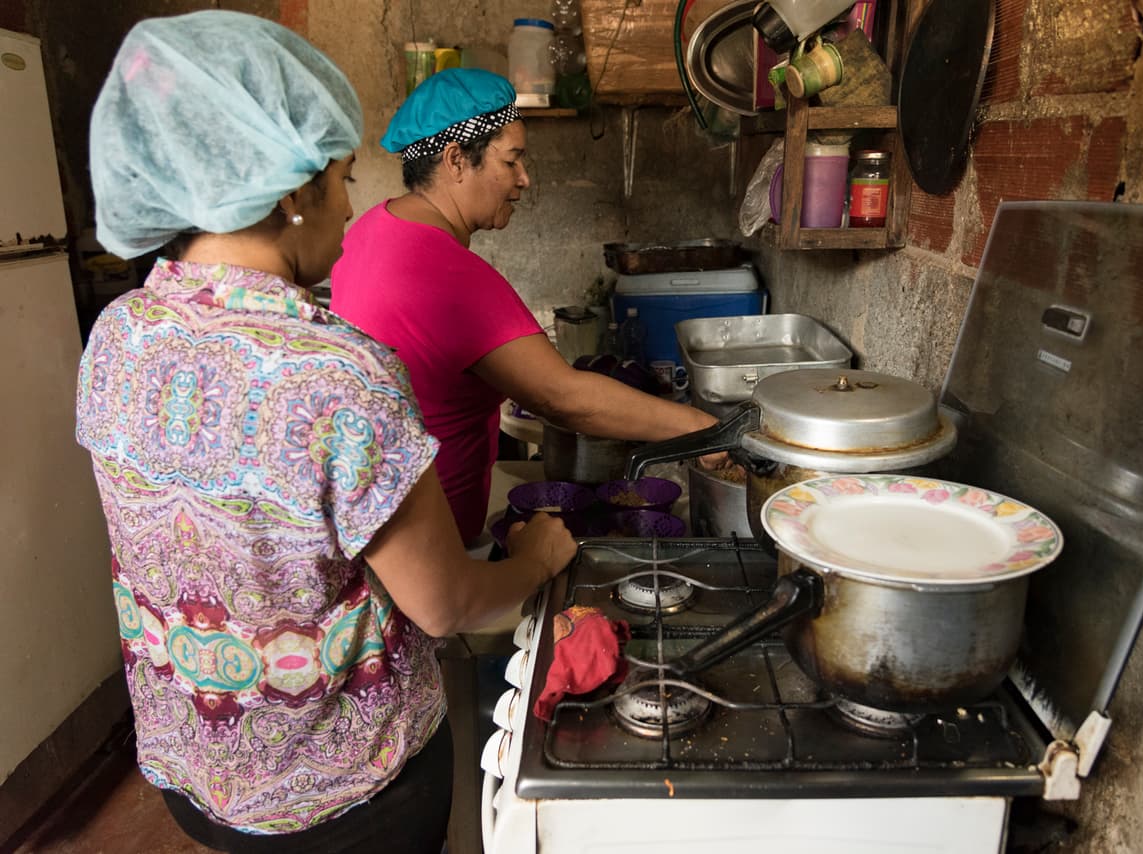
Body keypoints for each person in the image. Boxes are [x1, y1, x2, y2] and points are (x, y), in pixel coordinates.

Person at [76, 12, 576, 852]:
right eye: (342, 179)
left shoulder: (117, 336)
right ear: (291, 195)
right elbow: (447, 604)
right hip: (346, 799)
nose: (351, 206)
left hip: (197, 771)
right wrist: (539, 560)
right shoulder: (337, 372)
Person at [329, 68, 721, 543]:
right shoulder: (448, 271)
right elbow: (562, 399)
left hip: (379, 528)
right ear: (456, 160)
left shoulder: (371, 229)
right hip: (438, 550)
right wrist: (703, 428)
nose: (524, 179)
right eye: (512, 161)